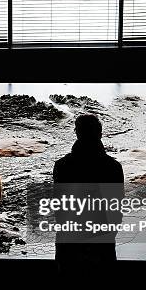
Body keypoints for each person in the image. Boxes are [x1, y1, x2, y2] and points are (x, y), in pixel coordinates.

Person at [53, 114, 124, 272]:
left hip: (69, 245)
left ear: (77, 133)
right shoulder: (113, 168)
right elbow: (116, 212)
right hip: (102, 247)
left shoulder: (62, 166)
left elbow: (59, 210)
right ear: (100, 133)